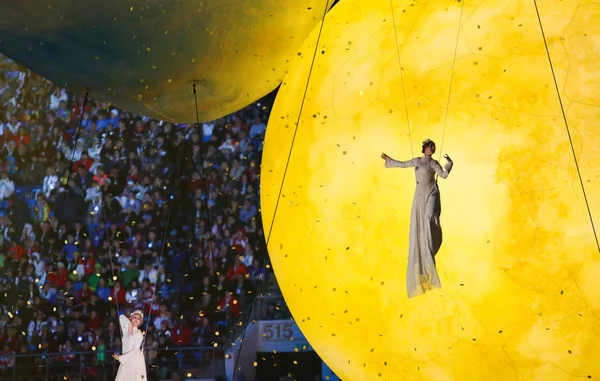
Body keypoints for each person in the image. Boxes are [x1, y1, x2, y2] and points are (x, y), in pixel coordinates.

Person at [381, 139, 453, 298]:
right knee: (418, 225)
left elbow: (444, 175)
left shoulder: (434, 164)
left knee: (428, 217)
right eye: (430, 146)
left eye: (434, 147)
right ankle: (424, 259)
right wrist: (389, 160)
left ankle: (431, 238)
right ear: (425, 148)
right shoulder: (416, 161)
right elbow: (402, 163)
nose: (432, 149)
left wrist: (449, 164)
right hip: (419, 196)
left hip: (431, 193)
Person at [112, 310, 147, 380]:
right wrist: (130, 325)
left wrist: (121, 358)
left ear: (140, 322)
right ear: (130, 318)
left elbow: (135, 350)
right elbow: (121, 317)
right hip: (126, 360)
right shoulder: (126, 330)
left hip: (134, 360)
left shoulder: (138, 334)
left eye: (139, 319)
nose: (136, 319)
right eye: (134, 317)